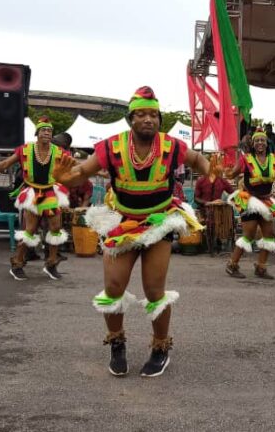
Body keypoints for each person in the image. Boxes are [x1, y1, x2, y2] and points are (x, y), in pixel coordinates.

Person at [52, 86, 210, 378]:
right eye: (141, 114)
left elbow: (198, 160)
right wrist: (64, 177)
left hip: (159, 223)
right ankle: (117, 343)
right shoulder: (111, 147)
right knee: (113, 289)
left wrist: (210, 169)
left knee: (154, 291)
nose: (148, 119)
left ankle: (161, 347)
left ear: (159, 119)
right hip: (122, 223)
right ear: (130, 119)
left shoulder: (173, 146)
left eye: (153, 114)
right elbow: (81, 173)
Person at [0, 117, 71, 281]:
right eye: (43, 130)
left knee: (56, 228)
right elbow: (4, 164)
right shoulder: (25, 150)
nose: (47, 133)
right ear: (37, 133)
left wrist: (99, 171)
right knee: (30, 230)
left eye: (49, 131)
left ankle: (51, 263)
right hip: (32, 193)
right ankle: (17, 263)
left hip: (51, 192)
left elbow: (76, 165)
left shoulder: (58, 152)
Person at [225, 131, 275, 278]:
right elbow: (231, 174)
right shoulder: (245, 159)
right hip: (249, 199)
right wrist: (226, 170)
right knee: (249, 233)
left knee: (269, 234)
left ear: (267, 143)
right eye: (257, 140)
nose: (260, 143)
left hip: (266, 200)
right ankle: (232, 265)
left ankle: (261, 267)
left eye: (263, 140)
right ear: (253, 144)